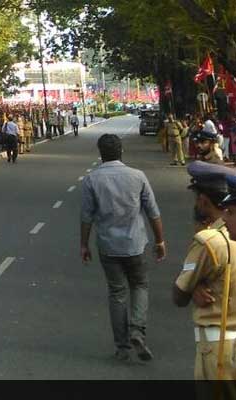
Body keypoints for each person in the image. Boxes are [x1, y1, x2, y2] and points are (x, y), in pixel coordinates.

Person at [80, 134, 166, 362]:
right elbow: (153, 212)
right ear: (121, 152)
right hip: (135, 245)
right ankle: (138, 330)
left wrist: (83, 244)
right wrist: (160, 241)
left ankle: (122, 347)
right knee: (140, 285)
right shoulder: (138, 176)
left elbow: (86, 216)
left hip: (108, 246)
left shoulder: (92, 180)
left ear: (101, 153)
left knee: (117, 293)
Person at [173, 161, 236, 389]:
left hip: (219, 346)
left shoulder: (210, 242)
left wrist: (193, 284)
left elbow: (179, 294)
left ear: (203, 200)